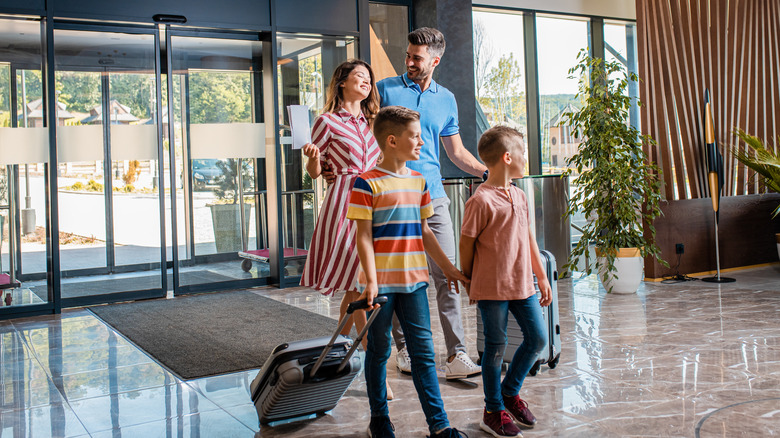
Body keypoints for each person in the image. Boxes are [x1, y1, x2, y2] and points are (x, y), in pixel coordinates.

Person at [347, 106, 469, 438]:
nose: (420, 142)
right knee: (379, 350)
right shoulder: (365, 183)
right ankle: (379, 420)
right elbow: (363, 235)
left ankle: (440, 425)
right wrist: (371, 281)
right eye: (414, 136)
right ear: (391, 141)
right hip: (381, 286)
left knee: (424, 355)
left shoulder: (418, 181)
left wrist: (448, 269)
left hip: (415, 283)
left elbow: (425, 231)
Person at [376, 27, 487, 379]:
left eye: (416, 57)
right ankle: (405, 348)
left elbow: (455, 152)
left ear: (435, 61)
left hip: (433, 197)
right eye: (407, 55)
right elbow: (368, 137)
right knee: (399, 276)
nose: (409, 61)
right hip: (393, 194)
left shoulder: (446, 99)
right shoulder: (386, 90)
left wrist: (489, 172)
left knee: (449, 274)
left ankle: (457, 354)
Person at [459, 126, 552, 438]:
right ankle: (492, 408)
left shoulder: (520, 195)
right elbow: (466, 245)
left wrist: (540, 276)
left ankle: (509, 393)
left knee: (537, 339)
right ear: (507, 157)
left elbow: (528, 239)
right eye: (522, 154)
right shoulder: (480, 201)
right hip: (492, 288)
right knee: (495, 349)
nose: (526, 159)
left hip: (522, 284)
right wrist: (470, 280)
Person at [298, 59, 385, 387]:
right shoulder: (327, 122)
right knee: (360, 283)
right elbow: (315, 173)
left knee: (355, 285)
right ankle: (376, 368)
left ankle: (332, 358)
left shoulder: (372, 122)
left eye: (369, 78)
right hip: (344, 202)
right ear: (342, 83)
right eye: (360, 77)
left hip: (371, 197)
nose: (366, 82)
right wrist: (312, 158)